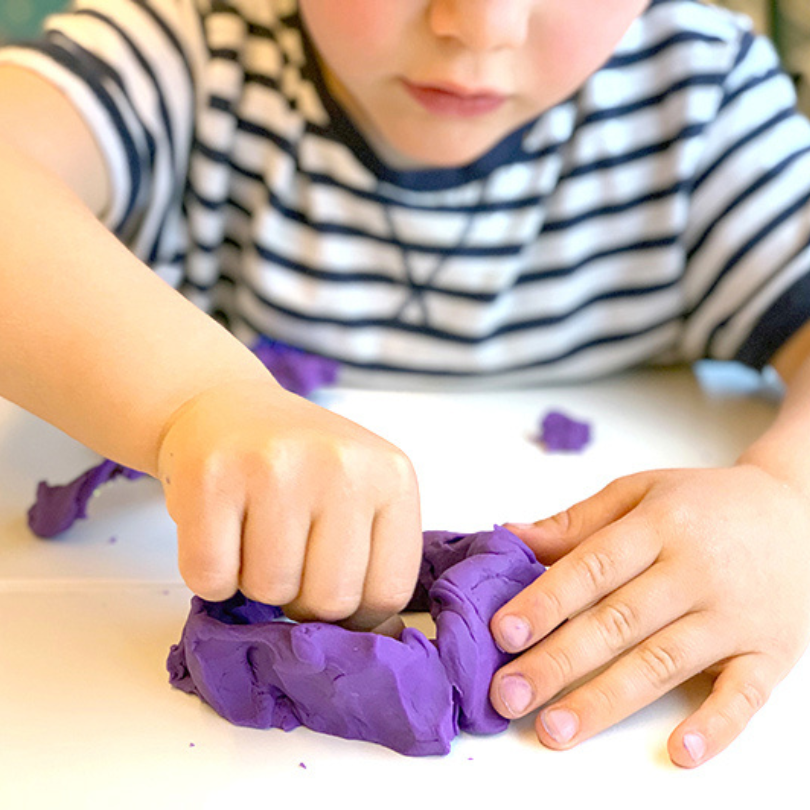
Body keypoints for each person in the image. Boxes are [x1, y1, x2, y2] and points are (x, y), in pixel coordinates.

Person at [0, 0, 809, 769]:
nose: (482, 27)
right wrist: (194, 399)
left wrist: (787, 497)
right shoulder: (183, 59)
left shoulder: (701, 106)